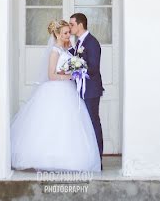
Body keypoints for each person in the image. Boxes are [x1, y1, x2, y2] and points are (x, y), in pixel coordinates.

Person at [10, 19, 101, 172]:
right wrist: (71, 77)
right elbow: (51, 75)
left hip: (69, 91)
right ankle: (49, 158)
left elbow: (74, 63)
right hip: (56, 90)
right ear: (57, 34)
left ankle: (70, 159)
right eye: (65, 33)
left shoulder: (69, 47)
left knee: (70, 125)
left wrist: (75, 70)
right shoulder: (54, 51)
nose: (68, 35)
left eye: (68, 32)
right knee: (53, 124)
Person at [69, 12, 104, 159]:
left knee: (93, 122)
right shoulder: (79, 43)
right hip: (81, 89)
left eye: (72, 24)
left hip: (91, 90)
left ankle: (98, 158)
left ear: (80, 25)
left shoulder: (92, 42)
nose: (70, 28)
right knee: (84, 124)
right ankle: (88, 156)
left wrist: (77, 68)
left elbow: (94, 68)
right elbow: (73, 56)